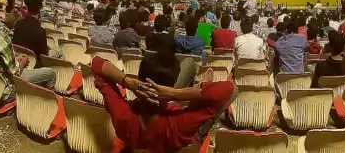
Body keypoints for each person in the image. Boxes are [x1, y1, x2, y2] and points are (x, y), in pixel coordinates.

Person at [89, 50, 236, 153]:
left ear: (139, 77)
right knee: (190, 65)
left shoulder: (121, 114)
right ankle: (200, 89)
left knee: (189, 64)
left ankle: (200, 90)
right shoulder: (179, 123)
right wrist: (171, 93)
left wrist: (127, 81)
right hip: (177, 131)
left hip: (140, 131)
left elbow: (96, 63)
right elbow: (230, 89)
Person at [12, 0, 50, 67]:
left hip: (16, 61)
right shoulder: (40, 31)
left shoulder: (18, 23)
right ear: (40, 9)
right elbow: (43, 56)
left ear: (27, 7)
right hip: (32, 65)